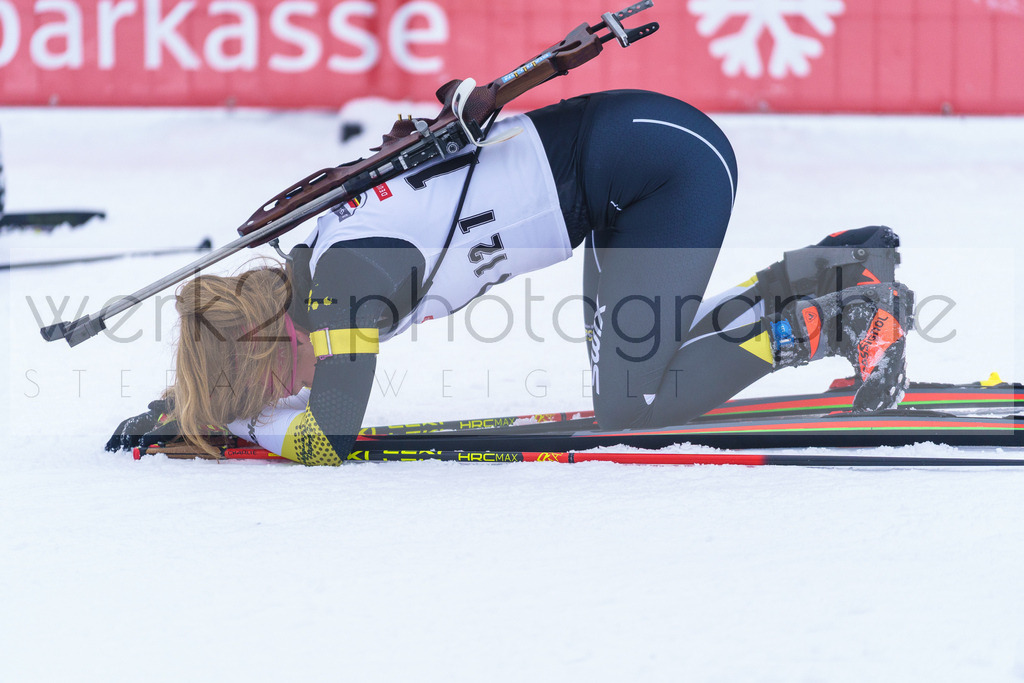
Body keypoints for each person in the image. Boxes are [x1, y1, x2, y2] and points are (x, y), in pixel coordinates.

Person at [106, 90, 914, 464]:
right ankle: (842, 265)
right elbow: (285, 385)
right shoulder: (316, 262)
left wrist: (230, 426)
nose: (285, 394)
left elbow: (329, 435)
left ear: (265, 344)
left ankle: (834, 323)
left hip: (657, 169)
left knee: (637, 408)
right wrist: (187, 404)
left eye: (264, 388)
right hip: (636, 170)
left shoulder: (342, 286)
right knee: (640, 371)